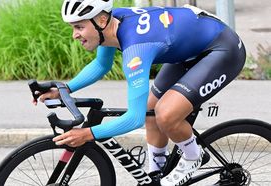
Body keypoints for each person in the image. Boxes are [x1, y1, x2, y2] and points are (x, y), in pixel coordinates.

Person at [35, 0, 246, 185]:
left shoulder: (136, 49)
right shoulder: (110, 26)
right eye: (73, 27)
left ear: (100, 21)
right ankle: (156, 173)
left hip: (222, 50)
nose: (75, 35)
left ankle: (194, 156)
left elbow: (134, 119)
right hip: (188, 50)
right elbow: (101, 65)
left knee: (165, 114)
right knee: (150, 110)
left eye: (79, 27)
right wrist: (64, 88)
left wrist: (87, 135)